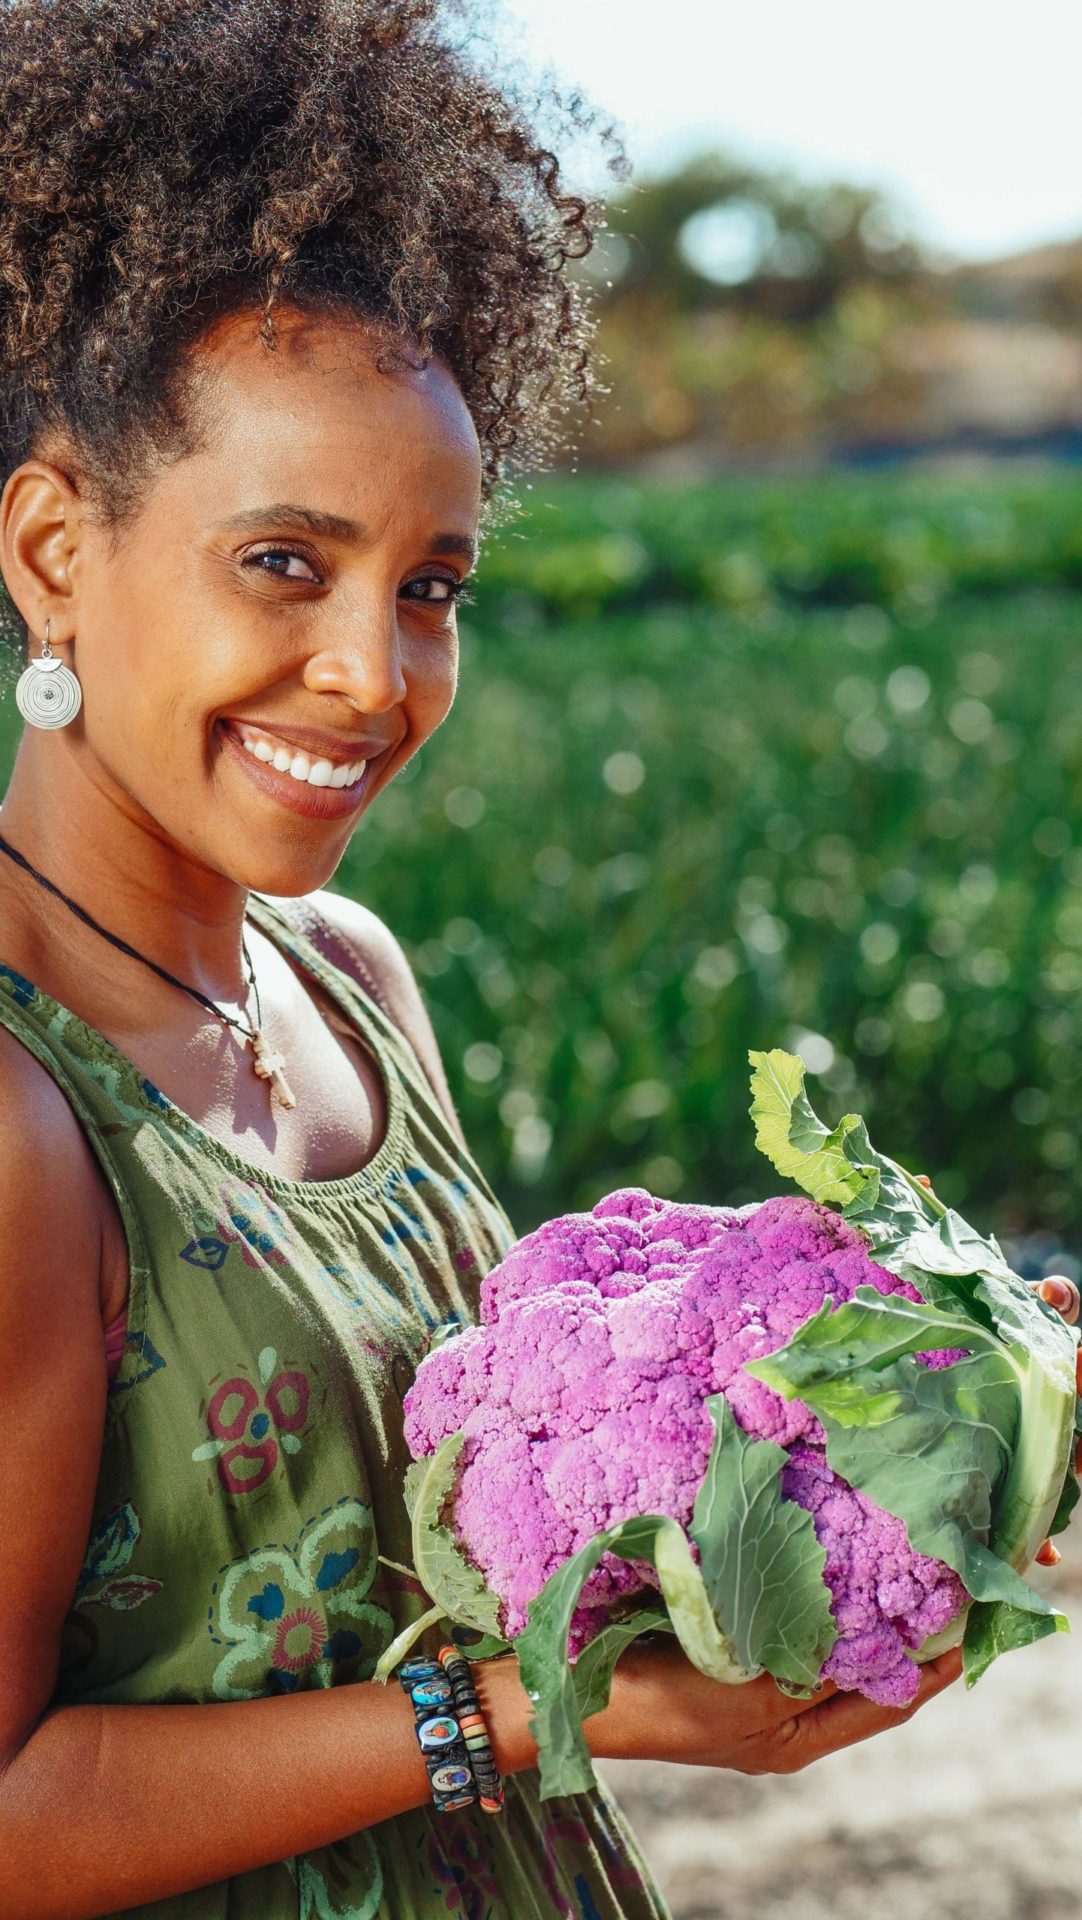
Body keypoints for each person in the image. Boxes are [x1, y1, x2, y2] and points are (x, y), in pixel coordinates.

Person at [0, 2, 1059, 1915]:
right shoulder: (14, 1114)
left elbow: (495, 1513)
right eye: (282, 563)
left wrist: (958, 1412)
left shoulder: (346, 982)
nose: (371, 673)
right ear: (56, 547)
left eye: (431, 588)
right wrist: (544, 1716)